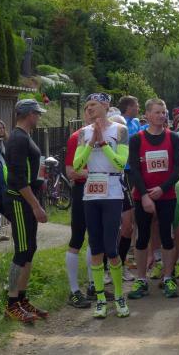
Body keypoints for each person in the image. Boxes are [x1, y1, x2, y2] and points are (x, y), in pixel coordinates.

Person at [73, 93, 130, 319]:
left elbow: (120, 164)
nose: (88, 109)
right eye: (86, 106)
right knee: (95, 247)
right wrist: (91, 143)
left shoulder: (120, 130)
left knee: (111, 248)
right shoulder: (83, 133)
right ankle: (100, 298)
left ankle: (119, 296)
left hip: (113, 192)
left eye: (93, 105)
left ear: (105, 106)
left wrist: (103, 143)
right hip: (91, 192)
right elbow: (77, 165)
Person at [127, 98, 179, 300]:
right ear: (148, 115)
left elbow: (178, 168)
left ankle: (168, 277)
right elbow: (134, 169)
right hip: (142, 196)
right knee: (142, 237)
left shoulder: (173, 138)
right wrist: (144, 195)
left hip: (166, 195)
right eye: (157, 112)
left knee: (167, 236)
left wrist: (162, 188)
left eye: (164, 112)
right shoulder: (137, 139)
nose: (162, 115)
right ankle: (141, 279)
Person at [2, 99, 48, 323]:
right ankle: (11, 304)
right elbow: (18, 179)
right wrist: (36, 205)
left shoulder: (24, 136)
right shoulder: (18, 139)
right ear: (29, 114)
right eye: (37, 114)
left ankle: (22, 299)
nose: (39, 117)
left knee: (30, 249)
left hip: (27, 200)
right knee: (21, 251)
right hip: (20, 202)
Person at [64, 114, 98, 308]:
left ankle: (94, 286)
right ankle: (74, 290)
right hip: (82, 189)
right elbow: (70, 171)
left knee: (95, 238)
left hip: (102, 192)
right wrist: (96, 172)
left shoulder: (110, 135)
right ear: (85, 114)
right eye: (90, 110)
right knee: (77, 238)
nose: (94, 115)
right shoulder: (77, 137)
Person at [118, 96, 141, 283]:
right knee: (124, 218)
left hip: (134, 170)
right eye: (136, 105)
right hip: (122, 171)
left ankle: (130, 250)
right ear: (128, 107)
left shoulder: (136, 122)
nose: (138, 107)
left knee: (132, 215)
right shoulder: (119, 123)